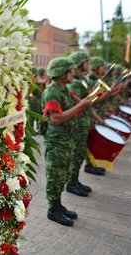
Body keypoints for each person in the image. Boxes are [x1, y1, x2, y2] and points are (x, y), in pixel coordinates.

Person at [41, 57, 91, 226]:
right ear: (61, 73)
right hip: (57, 140)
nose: (72, 73)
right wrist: (80, 106)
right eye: (69, 71)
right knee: (55, 175)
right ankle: (52, 209)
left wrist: (83, 104)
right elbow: (55, 119)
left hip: (67, 139)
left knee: (63, 174)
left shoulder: (63, 90)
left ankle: (58, 205)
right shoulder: (52, 92)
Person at [66, 51, 94, 197]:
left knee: (80, 153)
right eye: (86, 61)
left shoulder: (81, 80)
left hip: (83, 123)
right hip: (77, 125)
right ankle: (71, 183)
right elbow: (75, 104)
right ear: (79, 63)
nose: (88, 64)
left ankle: (75, 180)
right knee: (76, 154)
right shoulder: (75, 83)